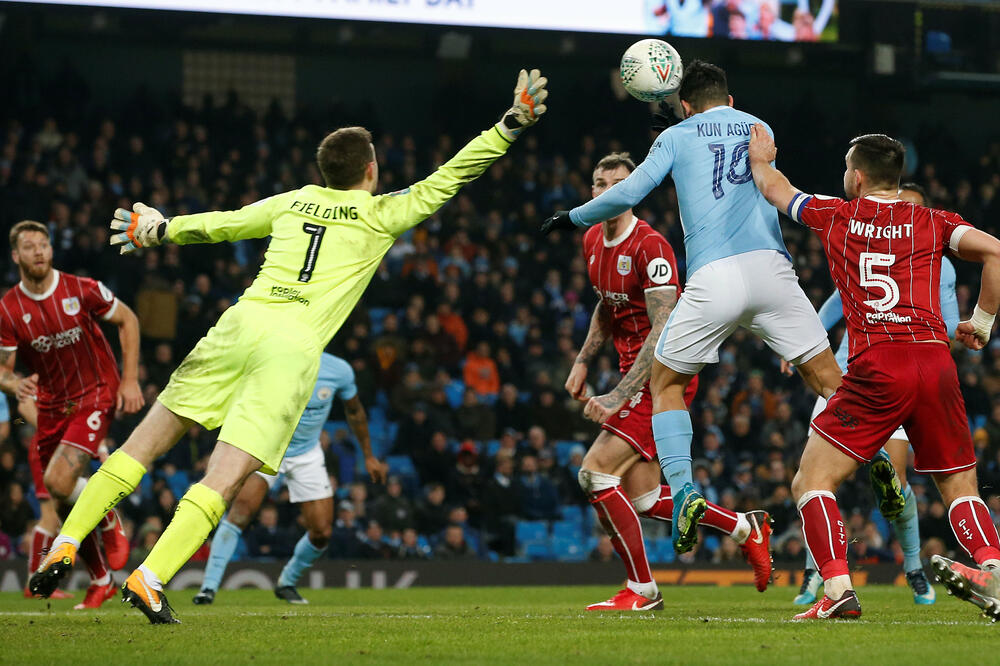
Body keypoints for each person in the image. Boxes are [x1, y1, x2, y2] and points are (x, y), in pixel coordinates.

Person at [30, 68, 549, 624]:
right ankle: (150, 577)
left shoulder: (294, 201)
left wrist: (159, 229)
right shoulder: (380, 215)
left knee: (143, 444)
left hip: (240, 322)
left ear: (325, 172)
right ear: (371, 170)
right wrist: (510, 124)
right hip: (292, 347)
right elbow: (450, 177)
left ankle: (67, 540)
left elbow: (224, 224)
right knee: (224, 477)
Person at [543, 61, 841, 553]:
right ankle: (875, 464)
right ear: (728, 98)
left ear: (684, 104)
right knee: (832, 383)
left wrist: (572, 217)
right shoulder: (756, 125)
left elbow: (632, 190)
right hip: (773, 270)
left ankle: (684, 493)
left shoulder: (675, 137)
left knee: (666, 384)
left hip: (715, 276)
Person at [747, 126, 1000, 620]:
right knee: (959, 487)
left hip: (877, 366)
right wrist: (983, 322)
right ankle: (993, 568)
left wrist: (761, 159)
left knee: (812, 480)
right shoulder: (934, 221)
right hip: (934, 361)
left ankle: (838, 589)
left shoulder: (837, 213)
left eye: (847, 169)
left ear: (857, 178)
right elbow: (996, 251)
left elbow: (775, 189)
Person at [566, 152, 773, 611]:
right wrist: (584, 360)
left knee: (596, 473)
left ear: (634, 190)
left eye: (618, 183)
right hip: (630, 373)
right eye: (599, 184)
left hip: (665, 374)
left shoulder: (651, 246)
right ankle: (745, 527)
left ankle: (642, 590)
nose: (606, 191)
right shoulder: (592, 242)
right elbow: (608, 304)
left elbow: (663, 327)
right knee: (641, 498)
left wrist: (620, 393)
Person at [790, 182, 951, 607]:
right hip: (844, 375)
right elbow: (831, 307)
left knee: (894, 487)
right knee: (817, 480)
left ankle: (913, 568)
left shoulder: (937, 265)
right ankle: (815, 574)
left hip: (895, 375)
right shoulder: (865, 246)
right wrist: (801, 344)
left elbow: (949, 323)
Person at [0, 220, 139, 608]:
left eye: (43, 244)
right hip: (52, 407)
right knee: (62, 498)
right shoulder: (9, 310)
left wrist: (129, 381)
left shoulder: (82, 288)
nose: (39, 251)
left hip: (94, 393)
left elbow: (128, 319)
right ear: (16, 256)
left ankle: (108, 514)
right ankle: (101, 580)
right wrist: (11, 384)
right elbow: (3, 369)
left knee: (59, 483)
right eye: (29, 246)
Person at [192, 352, 385, 606]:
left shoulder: (339, 369)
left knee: (321, 533)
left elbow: (356, 411)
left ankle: (287, 582)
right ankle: (208, 589)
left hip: (306, 453)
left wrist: (369, 456)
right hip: (267, 448)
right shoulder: (274, 357)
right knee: (240, 512)